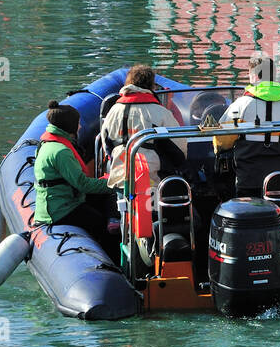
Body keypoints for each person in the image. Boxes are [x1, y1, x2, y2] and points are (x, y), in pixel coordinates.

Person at [214, 53, 280, 197]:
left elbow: (221, 139)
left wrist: (220, 151)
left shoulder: (241, 105)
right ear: (275, 77)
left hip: (249, 179)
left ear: (254, 77)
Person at [34, 100, 120, 258]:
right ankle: (114, 262)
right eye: (78, 123)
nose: (80, 127)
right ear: (70, 126)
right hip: (60, 210)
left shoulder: (49, 143)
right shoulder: (61, 151)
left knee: (103, 202)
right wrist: (114, 183)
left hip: (60, 200)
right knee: (100, 224)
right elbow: (83, 184)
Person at [103, 65, 187, 188]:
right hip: (152, 182)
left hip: (119, 180)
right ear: (151, 85)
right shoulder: (160, 112)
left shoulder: (113, 112)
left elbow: (107, 148)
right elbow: (180, 152)